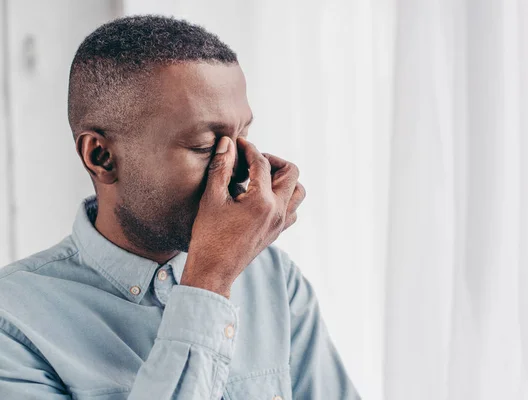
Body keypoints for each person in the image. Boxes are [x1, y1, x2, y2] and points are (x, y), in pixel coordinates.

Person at [0, 15, 360, 399]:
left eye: (243, 136)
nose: (239, 169)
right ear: (102, 156)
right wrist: (208, 283)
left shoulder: (274, 280)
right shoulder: (14, 324)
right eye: (206, 147)